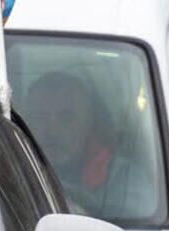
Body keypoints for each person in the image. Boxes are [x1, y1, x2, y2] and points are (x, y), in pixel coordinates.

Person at [23, 70, 156, 221]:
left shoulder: (125, 180)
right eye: (40, 117)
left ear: (88, 123)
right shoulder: (12, 172)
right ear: (26, 122)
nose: (52, 129)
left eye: (67, 118)